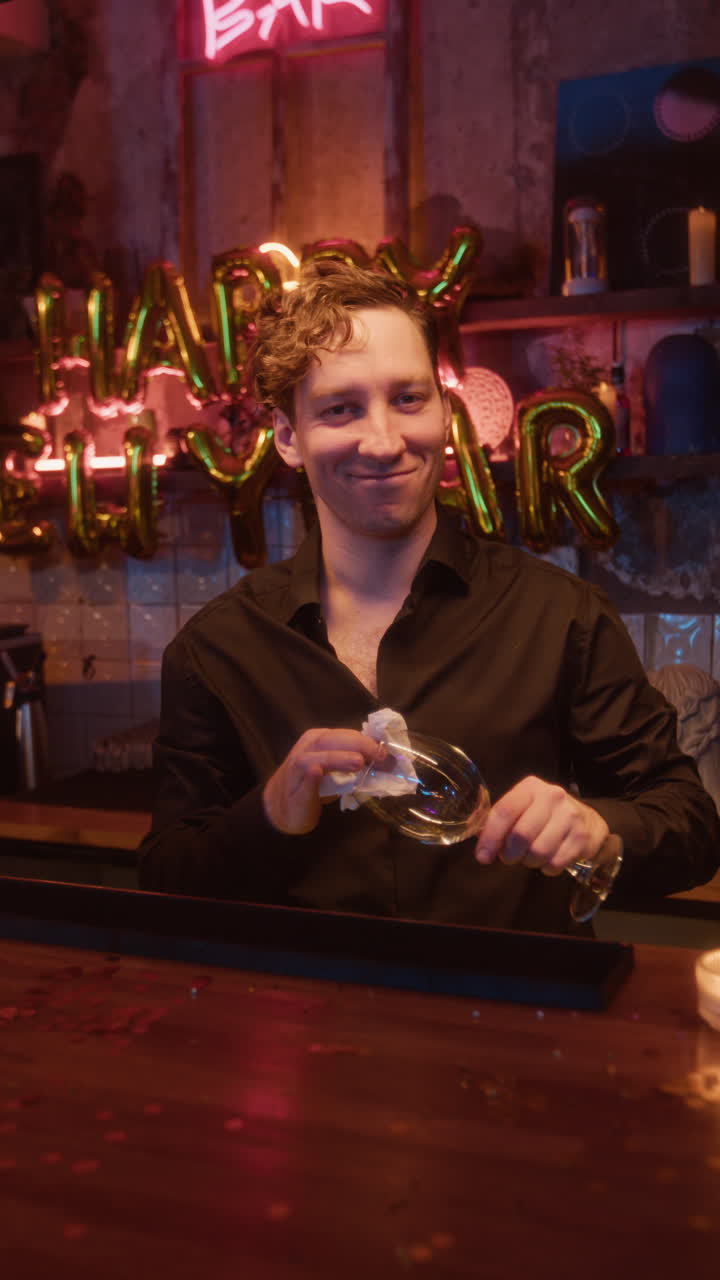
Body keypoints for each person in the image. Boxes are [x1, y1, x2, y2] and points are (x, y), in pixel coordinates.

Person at [137, 263, 720, 932]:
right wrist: (270, 811)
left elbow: (692, 827)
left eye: (409, 398)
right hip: (305, 1020)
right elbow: (166, 876)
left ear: (446, 413)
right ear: (289, 437)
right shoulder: (215, 651)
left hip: (517, 1014)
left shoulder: (560, 616)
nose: (383, 441)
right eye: (339, 409)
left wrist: (600, 830)